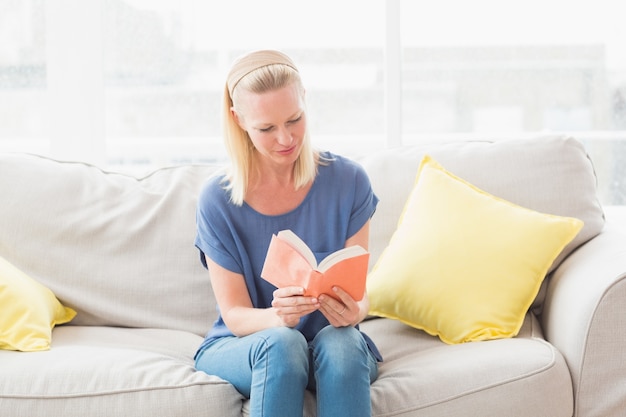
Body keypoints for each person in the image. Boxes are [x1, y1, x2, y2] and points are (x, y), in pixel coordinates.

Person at [193, 49, 381, 417]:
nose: (285, 138)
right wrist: (279, 318)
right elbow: (235, 314)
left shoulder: (350, 181)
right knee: (283, 344)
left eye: (294, 119)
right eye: (266, 128)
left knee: (341, 344)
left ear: (305, 101)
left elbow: (361, 296)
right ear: (239, 120)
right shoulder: (217, 199)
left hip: (333, 345)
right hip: (249, 345)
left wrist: (353, 311)